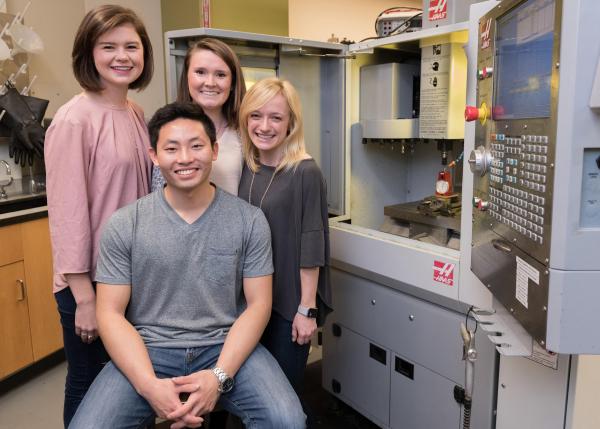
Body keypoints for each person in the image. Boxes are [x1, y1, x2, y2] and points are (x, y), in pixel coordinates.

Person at [68, 102, 305, 429]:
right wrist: (148, 385)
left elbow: (258, 305)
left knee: (287, 421)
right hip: (148, 348)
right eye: (171, 148)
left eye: (196, 146)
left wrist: (219, 377)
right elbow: (109, 312)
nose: (185, 158)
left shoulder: (249, 221)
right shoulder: (125, 224)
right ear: (154, 156)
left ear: (214, 150)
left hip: (225, 346)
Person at [44, 5, 153, 427]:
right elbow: (68, 216)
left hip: (130, 276)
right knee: (88, 380)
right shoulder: (74, 121)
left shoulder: (135, 112)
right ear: (88, 53)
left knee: (130, 379)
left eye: (131, 46)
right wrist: (84, 298)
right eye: (108, 47)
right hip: (88, 284)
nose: (121, 56)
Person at [238, 78, 333, 412]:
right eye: (256, 116)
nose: (264, 126)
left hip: (287, 306)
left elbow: (312, 242)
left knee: (280, 402)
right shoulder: (250, 166)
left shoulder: (305, 172)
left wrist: (306, 309)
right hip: (250, 303)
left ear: (291, 122)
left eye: (276, 118)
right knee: (250, 396)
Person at [152, 38, 245, 195]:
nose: (210, 82)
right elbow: (158, 197)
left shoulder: (245, 133)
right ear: (187, 77)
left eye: (220, 75)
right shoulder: (166, 130)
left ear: (233, 83)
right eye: (200, 72)